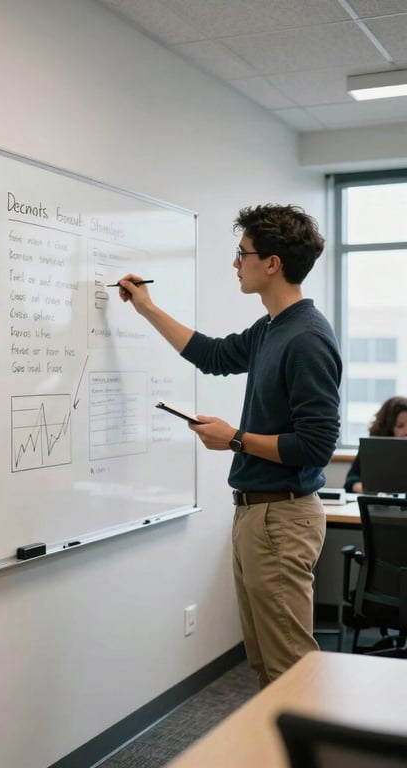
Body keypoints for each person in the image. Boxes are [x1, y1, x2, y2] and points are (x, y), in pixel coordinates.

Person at [118, 204, 342, 689]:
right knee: (265, 666)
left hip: (282, 518)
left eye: (243, 254)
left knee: (290, 673)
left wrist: (235, 439)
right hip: (256, 515)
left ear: (272, 263)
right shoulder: (271, 328)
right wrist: (148, 308)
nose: (235, 263)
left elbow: (317, 445)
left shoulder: (306, 338)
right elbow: (214, 355)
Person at [344, 396, 407, 493]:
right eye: (400, 426)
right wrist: (361, 487)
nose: (406, 431)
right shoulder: (372, 448)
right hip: (379, 500)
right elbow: (351, 480)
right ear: (388, 428)